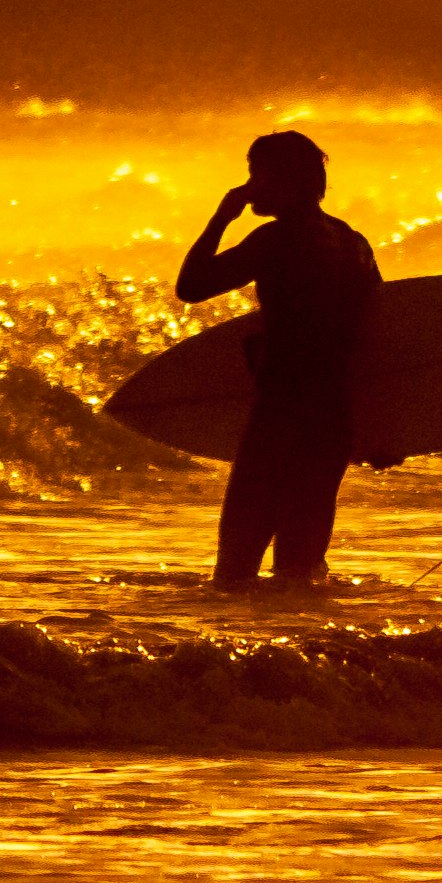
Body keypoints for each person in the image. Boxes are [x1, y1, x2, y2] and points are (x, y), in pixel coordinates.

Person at [175, 130, 381, 587]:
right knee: (299, 572)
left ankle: (242, 656)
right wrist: (382, 431)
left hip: (281, 418)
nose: (249, 187)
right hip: (333, 422)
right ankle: (301, 649)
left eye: (256, 174)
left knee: (234, 570)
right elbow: (375, 341)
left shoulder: (277, 240)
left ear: (284, 181)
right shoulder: (354, 244)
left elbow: (190, 287)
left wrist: (221, 218)